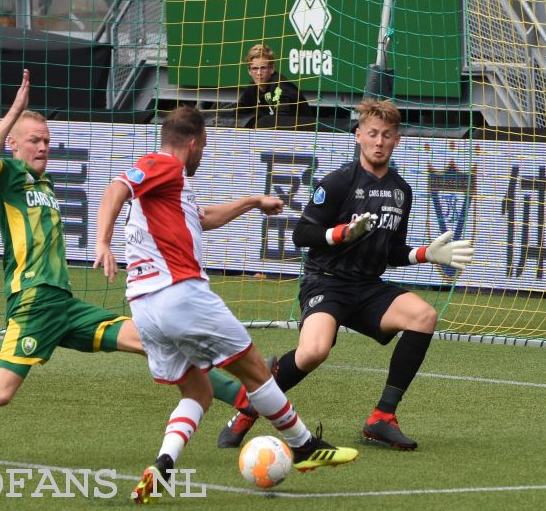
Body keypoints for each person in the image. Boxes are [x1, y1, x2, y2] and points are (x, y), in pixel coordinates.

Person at [0, 70, 250, 469]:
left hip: (62, 305)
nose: (43, 147)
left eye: (47, 140)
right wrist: (15, 111)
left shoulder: (44, 186)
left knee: (153, 339)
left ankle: (243, 399)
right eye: (34, 141)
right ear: (13, 145)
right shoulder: (8, 176)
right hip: (33, 304)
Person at [95, 105, 358, 504]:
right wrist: (101, 241)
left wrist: (253, 201)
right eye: (204, 146)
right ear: (195, 142)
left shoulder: (169, 190)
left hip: (145, 309)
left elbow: (203, 218)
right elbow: (116, 189)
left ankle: (163, 464)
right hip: (180, 294)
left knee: (197, 392)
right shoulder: (164, 166)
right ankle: (304, 446)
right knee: (256, 372)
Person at [217, 98, 474, 451]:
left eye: (387, 135)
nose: (379, 141)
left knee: (423, 316)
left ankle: (382, 418)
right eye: (372, 134)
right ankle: (249, 407)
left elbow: (393, 252)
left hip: (367, 287)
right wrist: (338, 234)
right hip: (326, 281)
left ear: (397, 140)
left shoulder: (402, 191)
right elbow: (301, 234)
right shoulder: (337, 182)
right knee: (314, 352)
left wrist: (426, 254)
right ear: (358, 136)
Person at [234, 44, 313, 126]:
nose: (259, 73)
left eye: (263, 68)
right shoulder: (253, 88)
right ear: (249, 71)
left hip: (302, 133)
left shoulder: (281, 87)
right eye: (255, 68)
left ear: (272, 69)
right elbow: (237, 115)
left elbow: (282, 121)